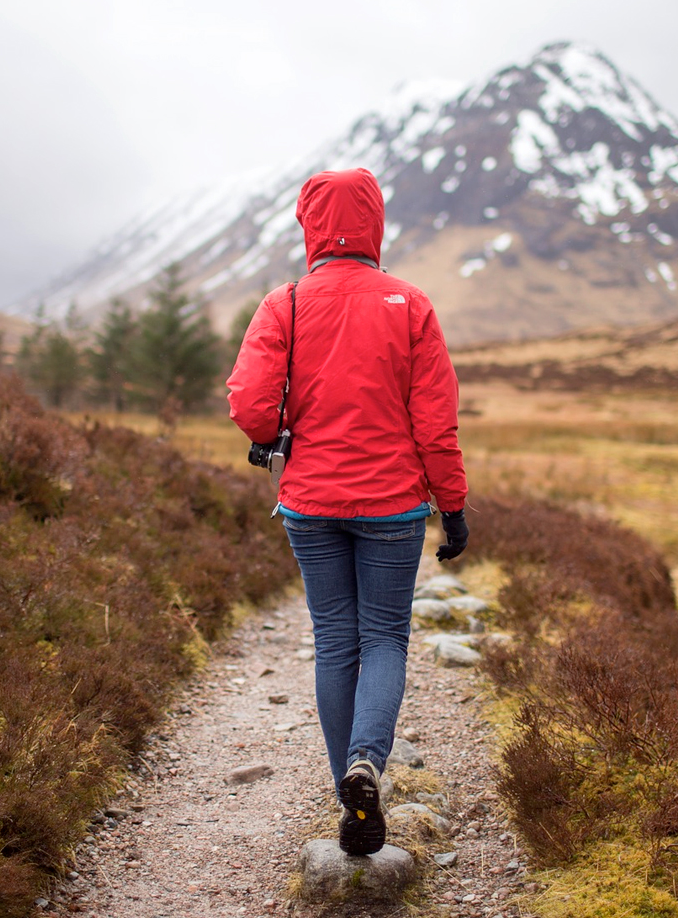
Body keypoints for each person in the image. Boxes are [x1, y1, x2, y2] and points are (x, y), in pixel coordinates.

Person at [227, 167, 469, 856]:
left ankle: (350, 795)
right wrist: (453, 509)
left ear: (309, 225)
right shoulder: (410, 302)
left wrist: (270, 435)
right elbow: (437, 427)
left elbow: (249, 402)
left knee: (336, 641)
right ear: (374, 223)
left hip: (308, 501)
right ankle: (369, 764)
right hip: (393, 506)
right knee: (385, 639)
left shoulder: (287, 303)